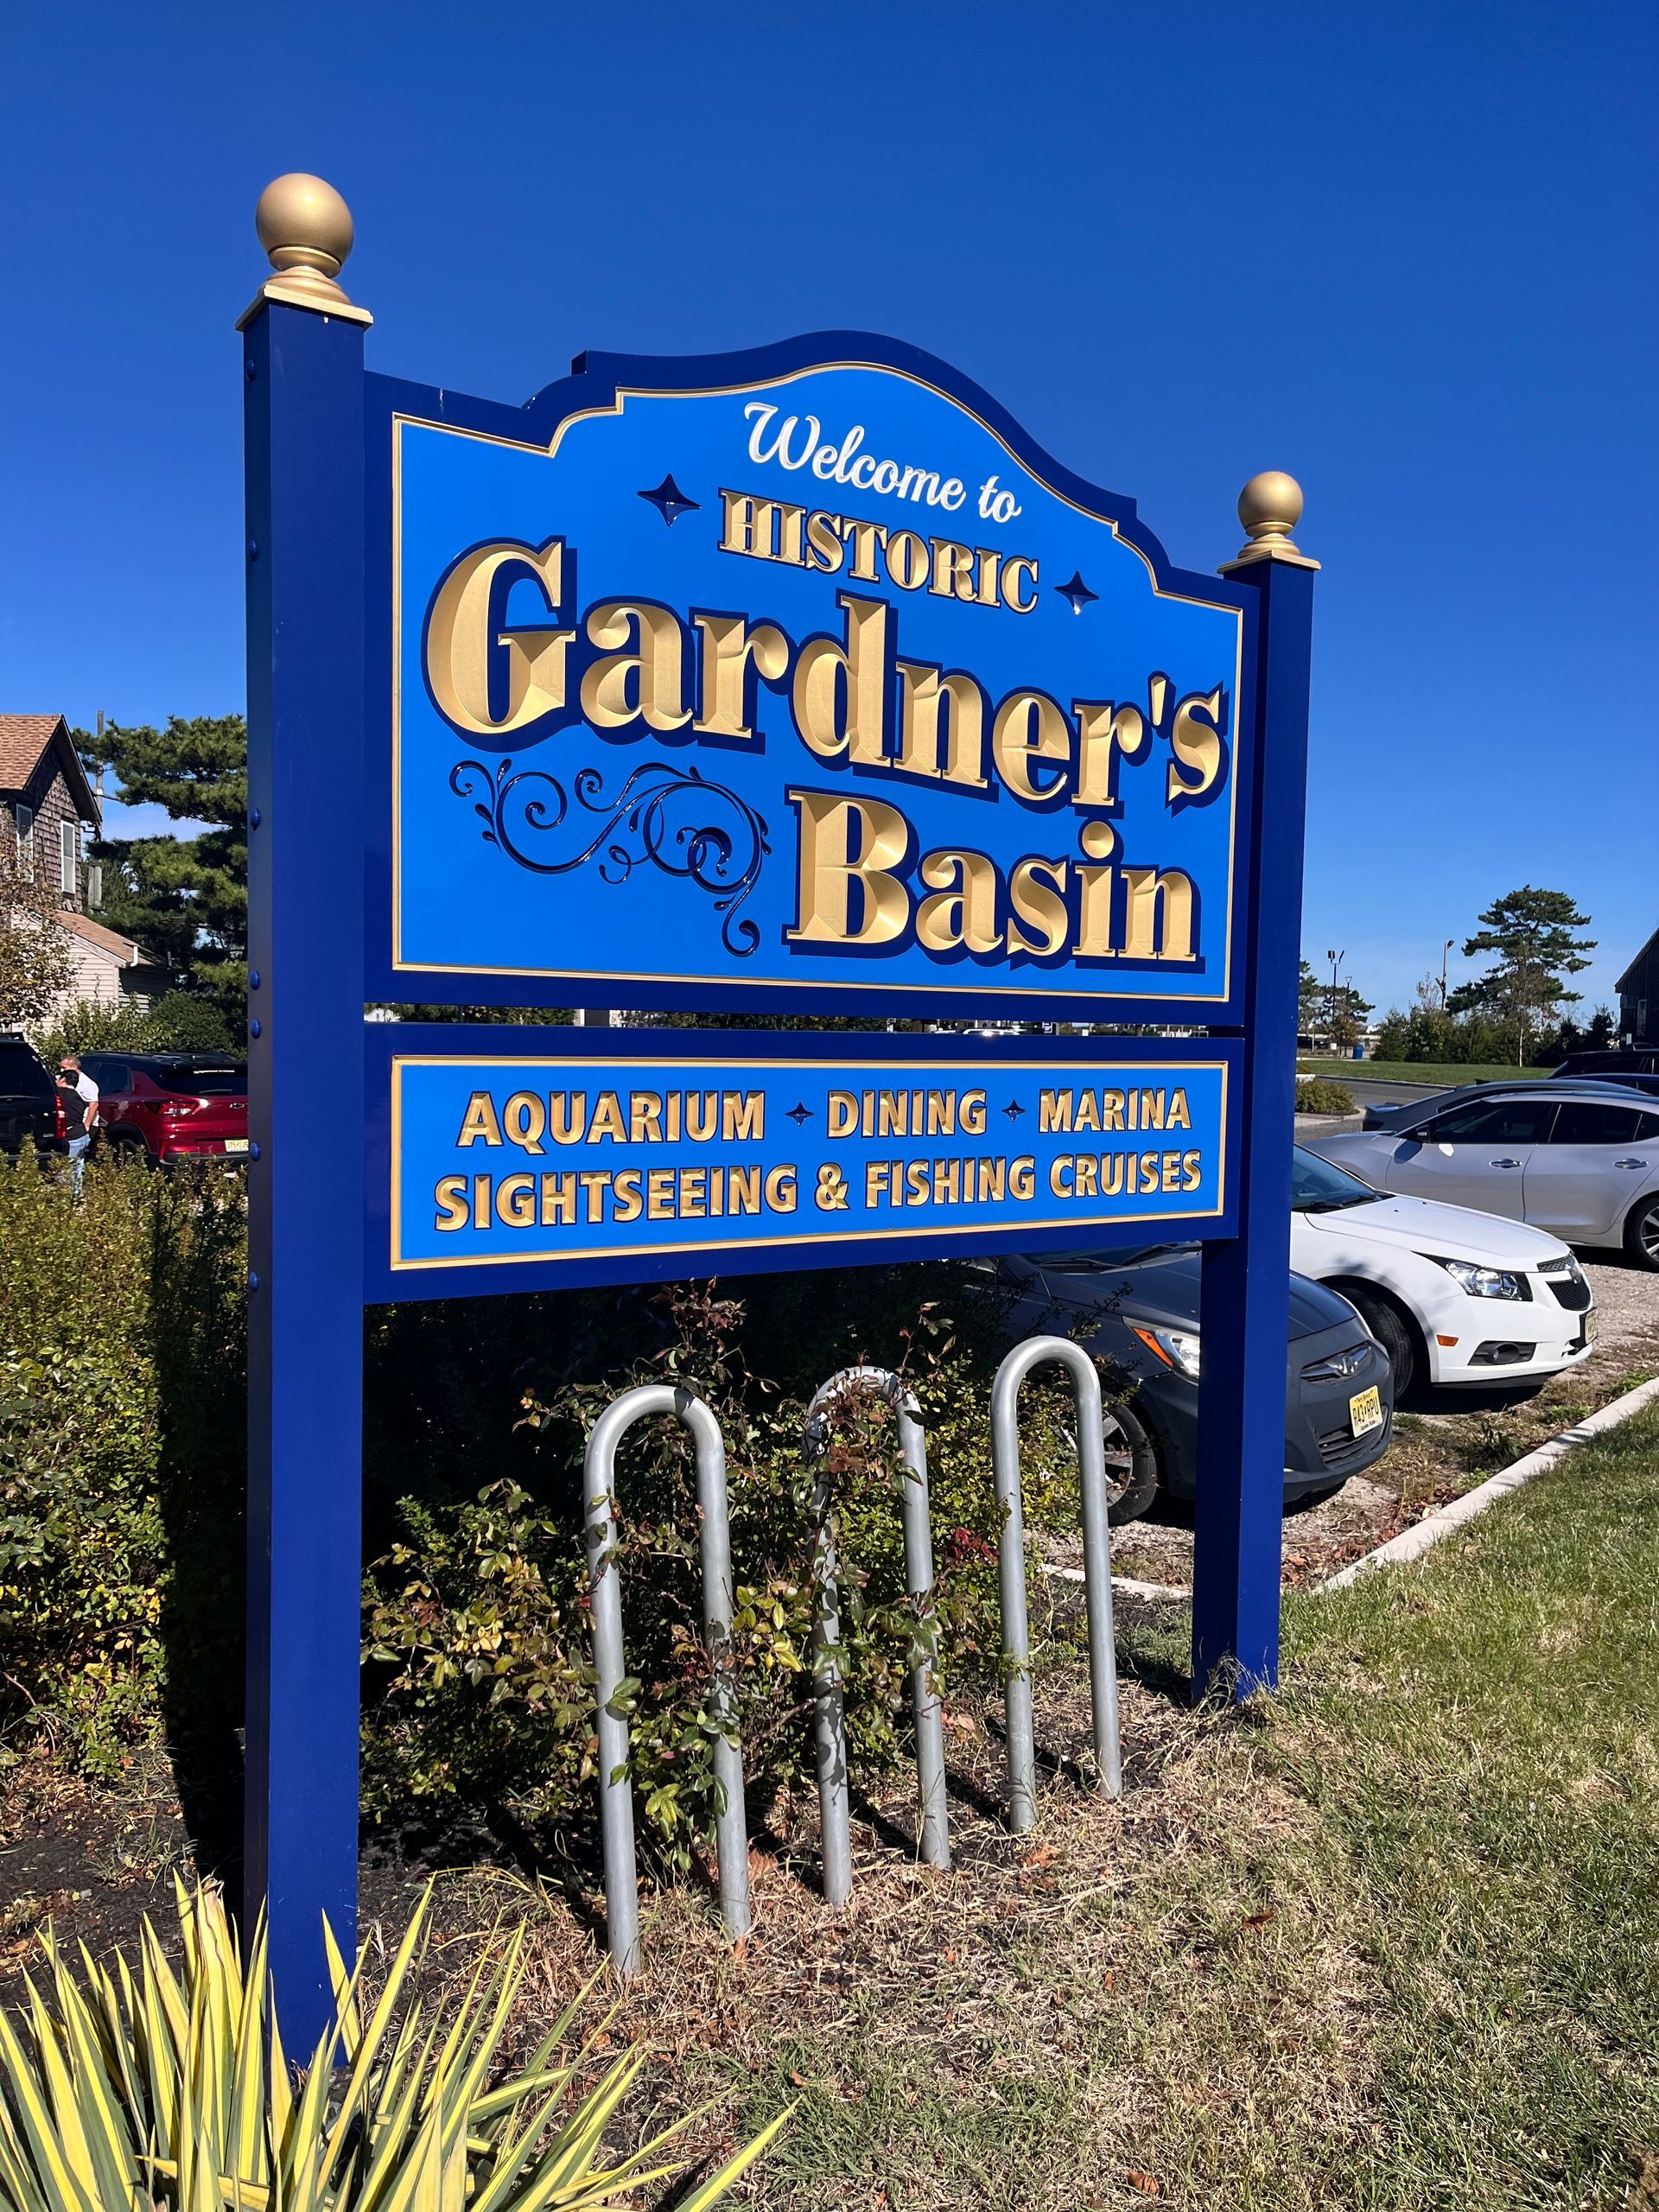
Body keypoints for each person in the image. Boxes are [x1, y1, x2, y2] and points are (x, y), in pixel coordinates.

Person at [58, 1053, 98, 1193]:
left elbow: (93, 1104)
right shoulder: (67, 1082)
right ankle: (76, 1194)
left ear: (73, 1068)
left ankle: (69, 1194)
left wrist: (87, 1124)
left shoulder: (87, 1084)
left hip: (80, 1127)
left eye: (63, 1067)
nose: (61, 1071)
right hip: (78, 1128)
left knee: (70, 1164)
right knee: (77, 1164)